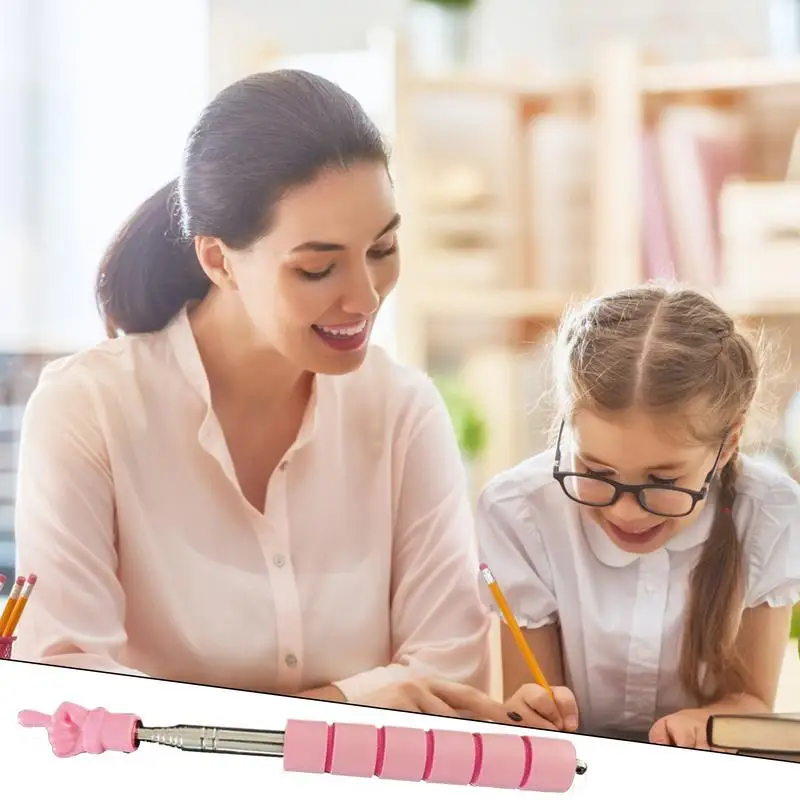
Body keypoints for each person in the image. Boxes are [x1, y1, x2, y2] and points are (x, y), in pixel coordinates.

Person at [12, 69, 506, 722]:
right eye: (317, 267)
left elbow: (447, 683)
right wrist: (346, 703)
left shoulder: (404, 411)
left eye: (382, 248)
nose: (365, 296)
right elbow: (70, 703)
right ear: (218, 260)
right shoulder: (89, 410)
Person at [476, 285, 800, 747]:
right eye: (595, 470)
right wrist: (531, 709)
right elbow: (532, 703)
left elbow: (751, 705)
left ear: (727, 444)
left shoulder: (771, 514)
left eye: (663, 481)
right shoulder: (519, 510)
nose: (623, 510)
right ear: (568, 426)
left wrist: (707, 725)